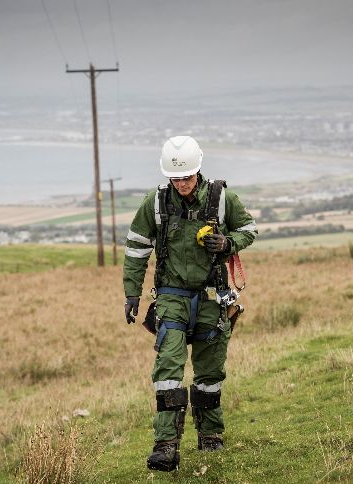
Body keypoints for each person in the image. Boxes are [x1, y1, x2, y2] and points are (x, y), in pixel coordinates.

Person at [122, 135, 257, 472]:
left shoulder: (222, 198)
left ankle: (211, 436)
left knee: (210, 372)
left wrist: (228, 242)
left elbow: (249, 229)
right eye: (175, 178)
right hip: (171, 297)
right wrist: (131, 294)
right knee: (167, 369)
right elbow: (136, 249)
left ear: (198, 170)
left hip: (213, 297)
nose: (181, 183)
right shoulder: (154, 204)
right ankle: (165, 446)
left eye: (186, 177)